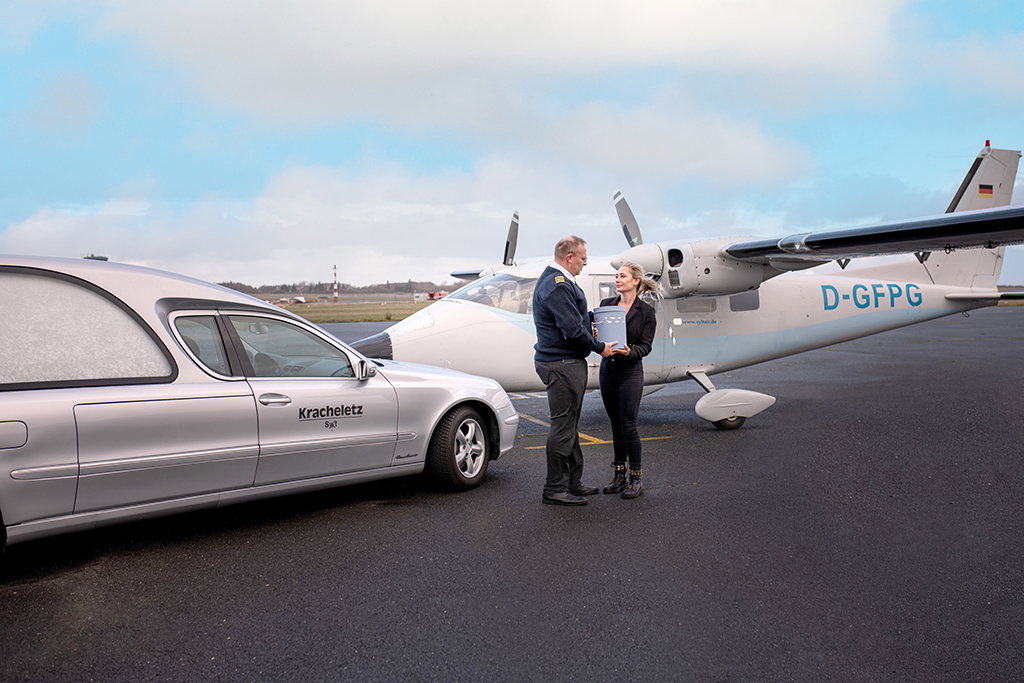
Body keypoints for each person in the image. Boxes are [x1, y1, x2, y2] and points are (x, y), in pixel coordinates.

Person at [533, 236, 617, 506]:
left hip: (565, 362)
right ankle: (554, 489)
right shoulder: (556, 285)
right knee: (562, 427)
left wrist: (590, 322)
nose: (584, 263)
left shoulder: (559, 282)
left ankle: (573, 482)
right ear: (569, 257)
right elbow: (572, 331)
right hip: (561, 364)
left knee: (569, 426)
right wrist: (600, 346)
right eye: (583, 259)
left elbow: (574, 321)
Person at [599, 261, 658, 499]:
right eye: (616, 276)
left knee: (629, 426)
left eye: (622, 276)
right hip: (608, 370)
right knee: (615, 426)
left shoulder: (646, 312)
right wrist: (596, 336)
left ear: (635, 281)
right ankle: (619, 475)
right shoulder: (605, 306)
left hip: (630, 372)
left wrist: (629, 353)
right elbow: (600, 340)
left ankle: (636, 478)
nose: (617, 279)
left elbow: (646, 347)